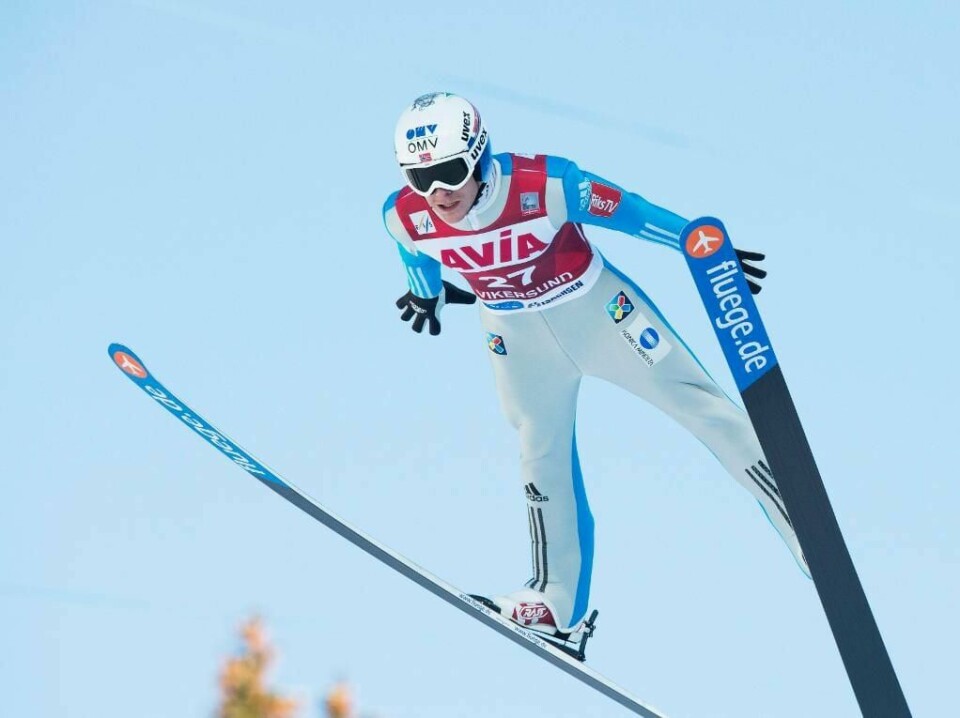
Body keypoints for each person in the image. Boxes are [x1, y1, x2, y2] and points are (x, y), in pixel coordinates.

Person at [382, 92, 808, 643]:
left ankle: (804, 525)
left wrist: (697, 246)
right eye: (420, 178)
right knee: (539, 454)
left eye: (450, 172)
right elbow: (413, 254)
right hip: (516, 337)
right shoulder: (404, 215)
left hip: (600, 314)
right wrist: (426, 294)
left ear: (480, 155)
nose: (438, 192)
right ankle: (554, 602)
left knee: (699, 405)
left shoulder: (547, 185)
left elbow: (632, 213)